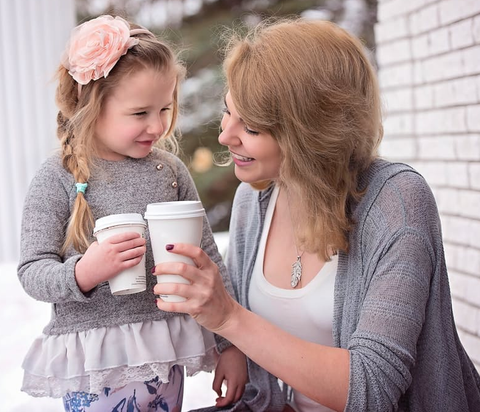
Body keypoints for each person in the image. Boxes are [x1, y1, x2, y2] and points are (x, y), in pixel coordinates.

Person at [151, 18, 480, 412]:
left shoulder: (397, 202)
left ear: (311, 133)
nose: (225, 136)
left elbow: (371, 390)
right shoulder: (251, 202)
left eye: (252, 127)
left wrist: (229, 319)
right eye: (228, 112)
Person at [17, 14, 246, 411]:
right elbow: (32, 271)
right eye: (140, 113)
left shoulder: (169, 172)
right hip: (95, 359)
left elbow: (206, 258)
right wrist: (84, 273)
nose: (157, 126)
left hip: (161, 349)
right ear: (90, 105)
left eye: (165, 108)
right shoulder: (59, 176)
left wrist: (230, 345)